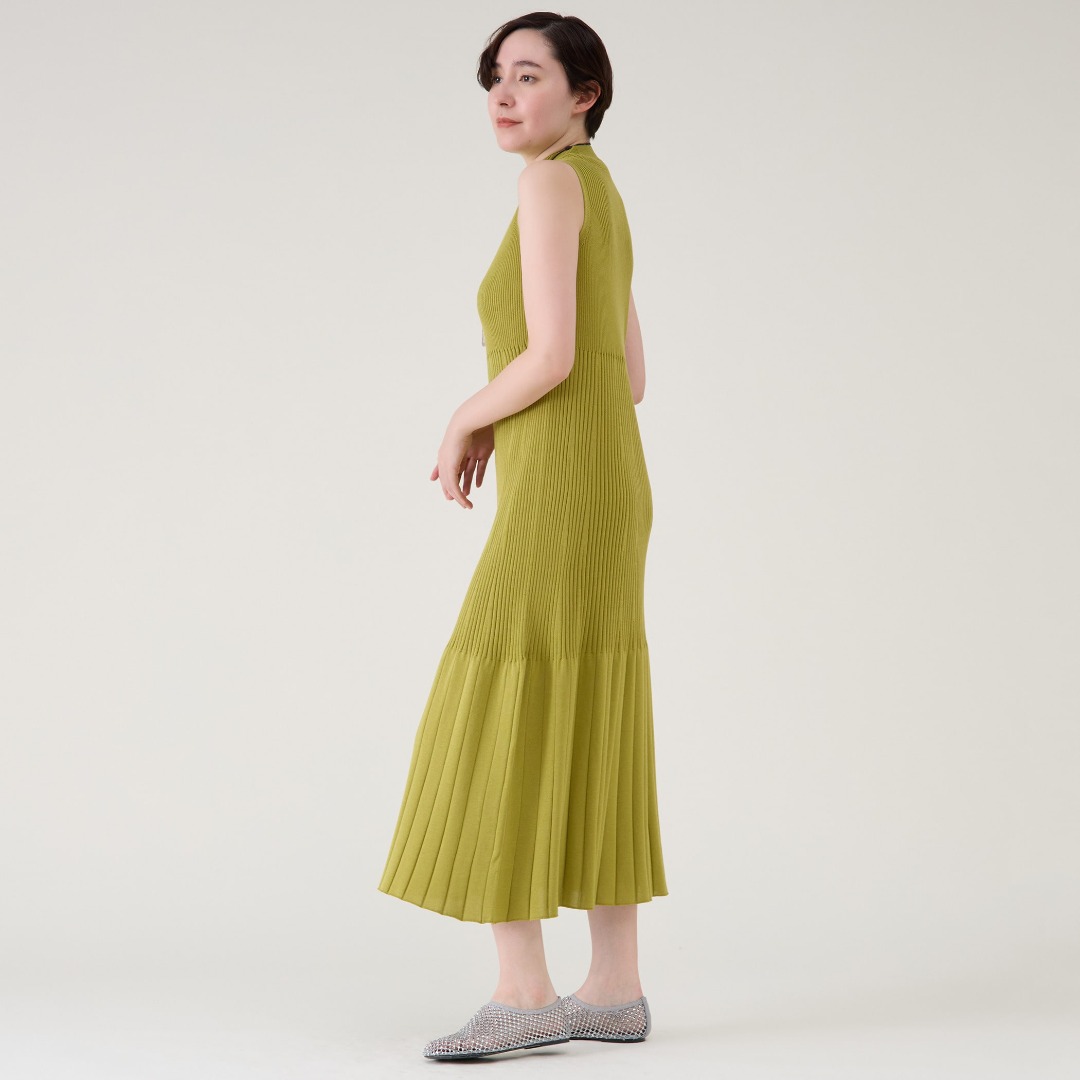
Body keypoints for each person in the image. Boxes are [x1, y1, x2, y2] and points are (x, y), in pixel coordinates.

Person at [376, 11, 669, 1060]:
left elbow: (551, 357)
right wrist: (515, 418)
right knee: (589, 697)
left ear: (585, 93)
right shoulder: (602, 189)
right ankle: (615, 987)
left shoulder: (548, 185)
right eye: (495, 77)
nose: (503, 95)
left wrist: (466, 415)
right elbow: (630, 378)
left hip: (559, 494)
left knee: (500, 692)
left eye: (529, 76)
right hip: (610, 486)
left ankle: (524, 990)